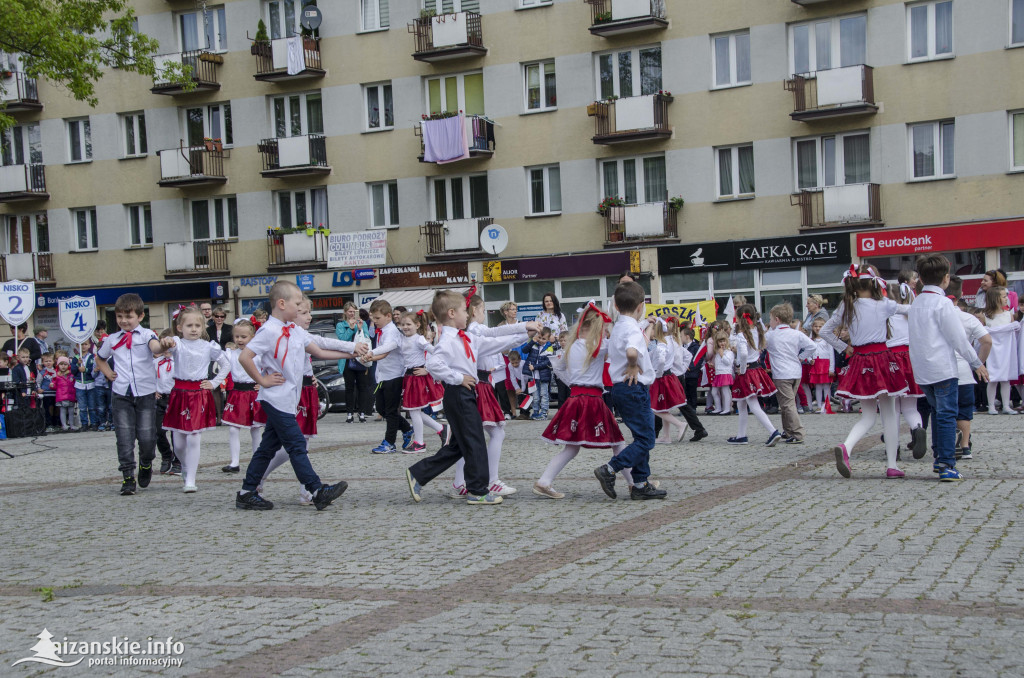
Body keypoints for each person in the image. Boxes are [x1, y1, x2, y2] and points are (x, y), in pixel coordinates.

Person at [235, 281, 356, 511]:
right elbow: (245, 357)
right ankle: (316, 489)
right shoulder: (269, 330)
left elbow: (319, 349)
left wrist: (352, 351)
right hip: (274, 397)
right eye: (298, 303)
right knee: (297, 443)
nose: (301, 307)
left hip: (288, 398)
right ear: (282, 304)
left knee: (267, 448)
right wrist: (261, 380)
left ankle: (246, 491)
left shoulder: (293, 330)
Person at [405, 290, 513, 506]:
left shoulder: (460, 337)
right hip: (459, 394)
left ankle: (418, 473)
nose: (468, 314)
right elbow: (434, 365)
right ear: (452, 313)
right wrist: (457, 378)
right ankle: (477, 490)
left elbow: (497, 342)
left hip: (462, 394)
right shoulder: (448, 339)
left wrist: (524, 331)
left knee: (459, 445)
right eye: (465, 310)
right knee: (474, 441)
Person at [820, 265, 912, 479]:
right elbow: (908, 310)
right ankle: (891, 464)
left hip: (860, 361)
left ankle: (847, 446)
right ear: (873, 283)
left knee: (868, 415)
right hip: (882, 358)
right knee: (889, 414)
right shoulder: (882, 304)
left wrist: (845, 347)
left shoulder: (847, 305)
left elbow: (825, 331)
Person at [909, 255, 989, 481]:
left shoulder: (917, 302)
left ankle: (939, 458)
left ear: (922, 279)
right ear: (946, 278)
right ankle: (945, 464)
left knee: (937, 412)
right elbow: (958, 339)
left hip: (923, 369)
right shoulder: (942, 303)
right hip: (942, 368)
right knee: (946, 415)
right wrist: (976, 363)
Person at [536, 301, 626, 498]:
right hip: (591, 399)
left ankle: (544, 481)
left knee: (572, 448)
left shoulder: (572, 345)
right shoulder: (598, 346)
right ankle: (636, 482)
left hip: (575, 397)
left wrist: (573, 383)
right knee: (617, 442)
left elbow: (558, 368)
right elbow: (620, 345)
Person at [451, 295, 534, 496]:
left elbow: (497, 337)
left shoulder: (471, 331)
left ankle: (461, 482)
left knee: (473, 436)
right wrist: (524, 330)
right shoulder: (475, 330)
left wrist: (524, 332)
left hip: (482, 382)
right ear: (474, 311)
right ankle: (490, 479)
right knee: (492, 433)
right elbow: (496, 333)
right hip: (479, 383)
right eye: (482, 310)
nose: (483, 314)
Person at [593, 282, 667, 500]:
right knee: (647, 439)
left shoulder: (619, 327)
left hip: (619, 388)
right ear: (641, 305)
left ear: (615, 306)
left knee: (640, 437)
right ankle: (610, 469)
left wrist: (644, 323)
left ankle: (641, 483)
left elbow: (630, 333)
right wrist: (633, 364)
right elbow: (632, 351)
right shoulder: (632, 329)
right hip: (634, 386)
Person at [95, 293, 165, 496]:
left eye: (129, 317)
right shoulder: (112, 339)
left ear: (140, 316)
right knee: (124, 437)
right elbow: (100, 358)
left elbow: (156, 347)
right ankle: (127, 476)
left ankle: (145, 462)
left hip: (144, 392)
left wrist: (164, 345)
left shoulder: (146, 335)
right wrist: (108, 373)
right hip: (121, 394)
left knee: (146, 436)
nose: (124, 321)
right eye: (119, 317)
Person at [159, 307, 230, 493]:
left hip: (199, 394)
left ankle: (190, 478)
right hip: (180, 393)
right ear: (180, 327)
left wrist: (214, 383)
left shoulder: (209, 346)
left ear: (203, 327)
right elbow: (167, 345)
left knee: (193, 437)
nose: (193, 329)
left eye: (197, 325)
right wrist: (166, 342)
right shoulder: (177, 343)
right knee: (180, 443)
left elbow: (226, 364)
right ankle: (185, 465)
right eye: (189, 325)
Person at [948, 277, 991, 460]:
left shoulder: (934, 316)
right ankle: (965, 446)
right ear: (961, 295)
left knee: (945, 411)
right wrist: (979, 363)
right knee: (964, 410)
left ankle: (946, 444)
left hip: (942, 371)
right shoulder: (968, 318)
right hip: (965, 371)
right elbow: (987, 341)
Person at [364, 298, 414, 453]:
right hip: (383, 376)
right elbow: (383, 353)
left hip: (394, 375)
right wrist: (369, 357)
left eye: (377, 318)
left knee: (391, 411)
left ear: (388, 316)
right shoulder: (382, 331)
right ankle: (407, 429)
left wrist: (371, 353)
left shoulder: (392, 331)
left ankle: (389, 443)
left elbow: (388, 347)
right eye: (372, 318)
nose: (375, 321)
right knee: (381, 408)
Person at [728, 306, 782, 446]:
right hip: (756, 369)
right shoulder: (758, 330)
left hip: (746, 371)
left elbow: (744, 354)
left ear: (740, 318)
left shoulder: (742, 335)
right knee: (741, 403)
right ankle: (741, 435)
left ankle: (773, 431)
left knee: (753, 404)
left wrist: (743, 368)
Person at [885, 278, 928, 455]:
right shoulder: (912, 314)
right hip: (910, 359)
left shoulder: (886, 316)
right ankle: (917, 428)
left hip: (891, 361)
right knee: (911, 407)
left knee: (892, 409)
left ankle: (893, 448)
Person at [764, 303, 817, 445]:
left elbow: (759, 345)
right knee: (786, 402)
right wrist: (801, 357)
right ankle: (788, 430)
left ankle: (798, 432)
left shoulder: (771, 335)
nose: (770, 322)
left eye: (770, 319)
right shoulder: (796, 333)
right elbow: (812, 346)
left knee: (788, 404)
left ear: (777, 319)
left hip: (781, 374)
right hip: (796, 372)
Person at [395, 310, 445, 454]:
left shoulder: (419, 339)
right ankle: (441, 429)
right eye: (402, 324)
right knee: (413, 410)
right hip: (409, 376)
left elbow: (436, 352)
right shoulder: (402, 339)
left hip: (418, 376)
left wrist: (428, 369)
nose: (405, 327)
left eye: (408, 324)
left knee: (414, 411)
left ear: (417, 325)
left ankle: (420, 443)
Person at [221, 320, 265, 474]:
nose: (239, 340)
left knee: (255, 428)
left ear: (252, 337)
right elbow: (220, 361)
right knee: (233, 428)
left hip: (253, 392)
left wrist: (263, 382)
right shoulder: (230, 354)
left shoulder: (258, 355)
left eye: (244, 337)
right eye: (237, 336)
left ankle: (256, 459)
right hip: (237, 393)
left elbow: (268, 367)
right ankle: (234, 462)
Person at [649, 318, 689, 443]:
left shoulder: (662, 343)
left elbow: (661, 360)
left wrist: (658, 374)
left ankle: (679, 424)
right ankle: (666, 436)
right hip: (669, 376)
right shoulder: (672, 340)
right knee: (664, 407)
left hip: (662, 377)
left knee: (653, 407)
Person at [981, 286, 1018, 416]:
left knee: (1006, 379)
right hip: (993, 352)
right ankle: (991, 406)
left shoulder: (1009, 315)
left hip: (1006, 352)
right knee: (992, 379)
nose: (1006, 299)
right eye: (1003, 296)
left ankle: (1006, 405)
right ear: (995, 299)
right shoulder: (985, 316)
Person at [335, 302, 373, 423]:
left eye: (354, 311)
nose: (352, 314)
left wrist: (360, 328)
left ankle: (362, 412)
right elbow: (342, 341)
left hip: (360, 359)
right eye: (350, 311)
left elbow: (367, 339)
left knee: (362, 387)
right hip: (347, 359)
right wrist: (351, 328)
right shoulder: (340, 325)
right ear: (345, 312)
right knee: (349, 387)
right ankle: (349, 413)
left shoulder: (361, 324)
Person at [153, 329, 179, 475]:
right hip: (160, 399)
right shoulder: (155, 362)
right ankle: (166, 455)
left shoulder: (178, 361)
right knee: (158, 431)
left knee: (176, 432)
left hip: (175, 398)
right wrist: (153, 389)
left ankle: (178, 460)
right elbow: (149, 379)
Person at [800, 319, 834, 415]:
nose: (818, 328)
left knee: (826, 386)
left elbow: (831, 354)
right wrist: (810, 359)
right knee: (818, 386)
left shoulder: (827, 339)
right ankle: (819, 406)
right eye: (816, 326)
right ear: (812, 328)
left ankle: (827, 405)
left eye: (820, 326)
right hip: (816, 364)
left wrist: (831, 368)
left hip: (825, 363)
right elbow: (809, 351)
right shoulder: (811, 340)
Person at [71, 340, 100, 431]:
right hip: (80, 384)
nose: (83, 346)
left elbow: (93, 369)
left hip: (90, 383)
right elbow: (73, 370)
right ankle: (84, 424)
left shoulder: (92, 357)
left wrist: (86, 369)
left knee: (92, 405)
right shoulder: (76, 358)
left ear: (89, 345)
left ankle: (94, 423)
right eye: (81, 345)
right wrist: (77, 365)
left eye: (85, 344)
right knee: (82, 406)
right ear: (77, 345)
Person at [53, 357, 78, 432]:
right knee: (63, 411)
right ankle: (64, 425)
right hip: (61, 396)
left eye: (65, 364)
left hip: (70, 395)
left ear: (68, 365)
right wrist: (52, 385)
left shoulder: (71, 374)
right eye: (61, 364)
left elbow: (74, 383)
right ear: (58, 365)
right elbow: (54, 385)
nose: (63, 366)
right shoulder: (56, 375)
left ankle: (72, 424)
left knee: (71, 411)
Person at [36, 352, 57, 432]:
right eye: (46, 361)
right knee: (48, 409)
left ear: (53, 361)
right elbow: (38, 382)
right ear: (42, 362)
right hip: (46, 394)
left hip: (55, 394)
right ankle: (48, 424)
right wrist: (39, 389)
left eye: (50, 361)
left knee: (56, 409)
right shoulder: (42, 373)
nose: (48, 363)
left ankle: (56, 424)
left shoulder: (56, 371)